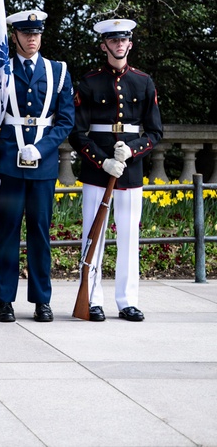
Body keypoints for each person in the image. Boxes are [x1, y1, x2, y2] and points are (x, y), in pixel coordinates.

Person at [0, 10, 74, 323]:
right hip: (9, 164)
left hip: (43, 166)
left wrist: (43, 147)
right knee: (6, 234)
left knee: (40, 234)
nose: (32, 38)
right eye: (26, 33)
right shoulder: (0, 72)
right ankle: (4, 300)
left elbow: (65, 121)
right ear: (15, 36)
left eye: (37, 33)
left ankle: (41, 301)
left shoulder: (58, 71)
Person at [69, 18, 162, 322]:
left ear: (130, 44)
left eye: (124, 40)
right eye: (114, 40)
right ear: (104, 45)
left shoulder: (143, 81)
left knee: (128, 237)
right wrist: (103, 160)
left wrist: (132, 150)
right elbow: (78, 133)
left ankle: (127, 301)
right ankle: (93, 299)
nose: (119, 45)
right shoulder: (89, 82)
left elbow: (155, 132)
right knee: (93, 235)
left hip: (131, 171)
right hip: (98, 172)